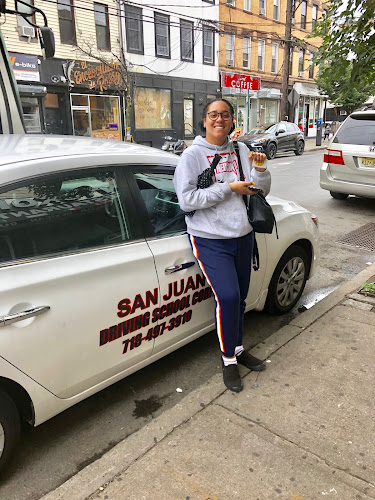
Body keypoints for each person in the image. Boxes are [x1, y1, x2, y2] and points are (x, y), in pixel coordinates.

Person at [173, 99, 271, 393]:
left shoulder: (242, 150)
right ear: (204, 121)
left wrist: (262, 172)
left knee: (239, 298)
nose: (219, 119)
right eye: (213, 115)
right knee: (227, 298)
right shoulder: (192, 156)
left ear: (231, 120)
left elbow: (260, 190)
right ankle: (228, 359)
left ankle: (238, 349)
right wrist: (229, 188)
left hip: (243, 235)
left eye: (225, 115)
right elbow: (186, 200)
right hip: (210, 239)